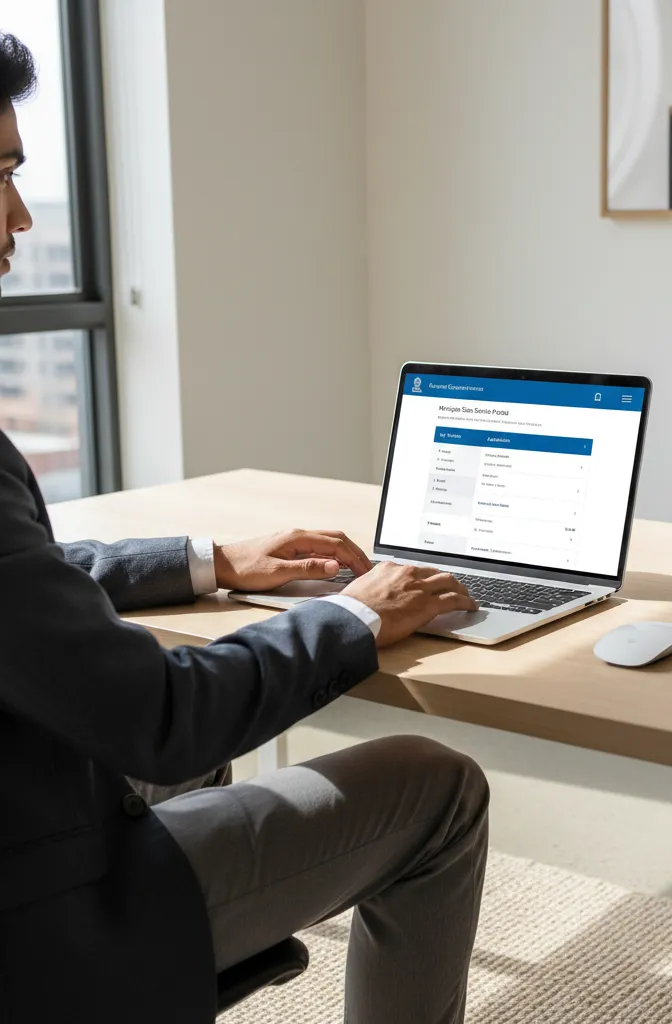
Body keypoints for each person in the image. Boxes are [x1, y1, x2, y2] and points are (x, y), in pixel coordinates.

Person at [0, 32, 488, 1024]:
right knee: (436, 785)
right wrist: (350, 618)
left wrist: (208, 560)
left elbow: (23, 584)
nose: (16, 214)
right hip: (41, 925)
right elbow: (160, 713)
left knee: (201, 759)